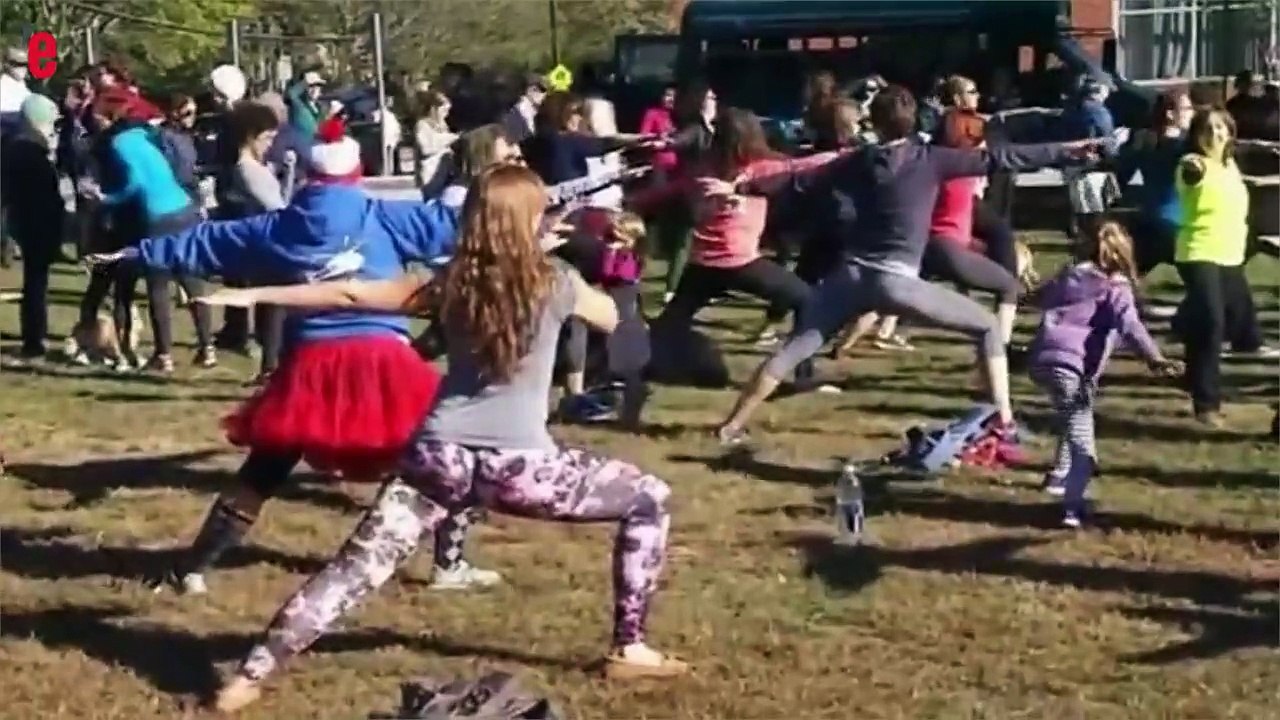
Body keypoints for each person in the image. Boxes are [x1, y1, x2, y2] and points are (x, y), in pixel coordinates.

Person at [201, 164, 685, 713]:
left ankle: (248, 677)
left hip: (436, 458)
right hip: (520, 466)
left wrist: (257, 294)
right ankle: (629, 646)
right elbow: (611, 317)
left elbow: (353, 294)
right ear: (532, 219)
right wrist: (583, 252)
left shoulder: (449, 281)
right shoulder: (557, 280)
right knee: (650, 497)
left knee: (351, 572)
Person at [85, 116, 475, 596]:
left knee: (263, 471)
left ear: (311, 177)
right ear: (355, 174)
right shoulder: (383, 216)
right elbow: (461, 224)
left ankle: (193, 568)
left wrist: (133, 253)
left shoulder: (277, 226)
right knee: (443, 457)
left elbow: (204, 242)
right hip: (383, 361)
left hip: (312, 362)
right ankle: (448, 565)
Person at [716, 86, 1100, 448]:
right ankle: (1004, 423)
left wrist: (744, 189)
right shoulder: (930, 159)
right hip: (896, 281)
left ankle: (731, 425)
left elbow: (801, 177)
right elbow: (1002, 157)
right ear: (913, 121)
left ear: (876, 123)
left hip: (848, 277)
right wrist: (1068, 150)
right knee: (985, 326)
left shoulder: (859, 160)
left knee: (793, 350)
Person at [1028, 221, 1181, 527]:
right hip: (1074, 365)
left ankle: (1057, 476)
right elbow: (1131, 327)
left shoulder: (1068, 276)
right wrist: (1155, 358)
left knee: (1071, 419)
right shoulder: (1115, 288)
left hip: (1043, 359)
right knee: (1084, 440)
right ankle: (1073, 508)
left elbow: (1036, 297)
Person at [82, 88, 214, 372]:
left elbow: (135, 183)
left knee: (158, 284)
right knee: (191, 281)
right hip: (183, 208)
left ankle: (163, 355)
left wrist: (107, 198)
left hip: (156, 216)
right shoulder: (146, 137)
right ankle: (207, 347)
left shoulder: (117, 145)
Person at [1174, 108, 1276, 427]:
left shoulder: (1229, 164)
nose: (1214, 134)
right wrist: (1190, 163)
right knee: (1212, 324)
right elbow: (1192, 173)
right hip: (1198, 252)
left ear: (1230, 132)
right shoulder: (1194, 165)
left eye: (1220, 128)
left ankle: (1186, 337)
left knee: (1221, 315)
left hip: (1230, 255)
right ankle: (1206, 404)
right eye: (1207, 129)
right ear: (1196, 135)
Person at [0, 95, 65, 359]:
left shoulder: (17, 147)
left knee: (35, 282)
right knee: (35, 284)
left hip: (30, 221)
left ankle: (36, 336)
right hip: (34, 222)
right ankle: (34, 339)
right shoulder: (26, 151)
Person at [1114, 88, 1194, 280]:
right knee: (1202, 284)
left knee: (1125, 274)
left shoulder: (1143, 139)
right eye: (1188, 108)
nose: (1193, 112)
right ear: (1170, 113)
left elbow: (1124, 171)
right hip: (1179, 224)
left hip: (1149, 218)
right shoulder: (1186, 146)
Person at [412, 88, 458, 197]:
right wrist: (450, 138)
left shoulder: (442, 125)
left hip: (444, 173)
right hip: (430, 176)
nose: (446, 114)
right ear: (434, 109)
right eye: (444, 110)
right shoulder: (422, 125)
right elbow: (426, 147)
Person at [500, 73, 547, 143]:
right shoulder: (511, 118)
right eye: (542, 90)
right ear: (529, 91)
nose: (545, 94)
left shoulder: (541, 119)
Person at [285, 70, 327, 141]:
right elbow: (291, 94)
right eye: (311, 86)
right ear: (304, 89)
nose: (314, 90)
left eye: (317, 86)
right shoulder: (299, 106)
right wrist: (304, 83)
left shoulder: (322, 108)